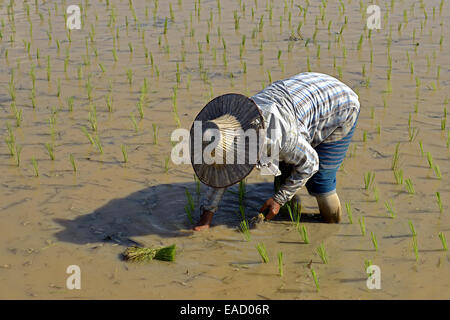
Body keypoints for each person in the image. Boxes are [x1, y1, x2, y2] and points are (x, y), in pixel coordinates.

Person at [190, 72, 360, 231]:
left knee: (321, 179)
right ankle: (288, 208)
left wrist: (278, 199)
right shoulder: (232, 119)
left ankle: (331, 227)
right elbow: (222, 171)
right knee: (285, 172)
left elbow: (311, 163)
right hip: (304, 91)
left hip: (341, 105)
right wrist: (206, 217)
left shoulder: (279, 138)